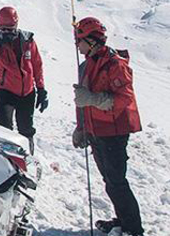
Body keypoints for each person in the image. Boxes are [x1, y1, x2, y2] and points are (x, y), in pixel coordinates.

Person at [71, 17, 143, 236]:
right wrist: (82, 127)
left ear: (92, 41)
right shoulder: (87, 64)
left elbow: (124, 98)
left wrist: (92, 99)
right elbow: (82, 100)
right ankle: (123, 220)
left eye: (80, 40)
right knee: (110, 180)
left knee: (116, 181)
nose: (77, 45)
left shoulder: (114, 64)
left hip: (114, 131)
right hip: (97, 129)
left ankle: (133, 229)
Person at [0, 7, 48, 154]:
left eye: (10, 28)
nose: (8, 32)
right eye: (4, 29)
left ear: (16, 24)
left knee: (26, 129)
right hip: (5, 92)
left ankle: (28, 158)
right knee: (4, 128)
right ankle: (6, 161)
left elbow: (36, 64)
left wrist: (41, 88)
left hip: (27, 92)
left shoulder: (27, 40)